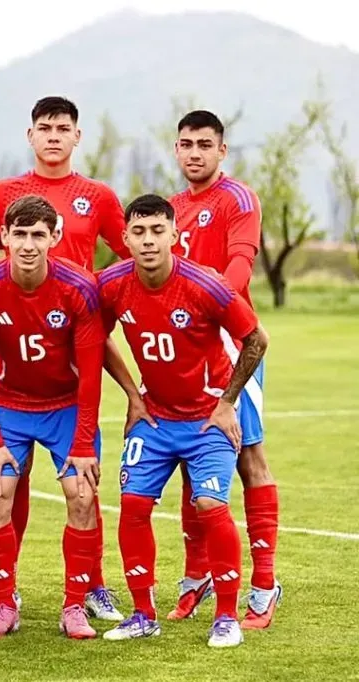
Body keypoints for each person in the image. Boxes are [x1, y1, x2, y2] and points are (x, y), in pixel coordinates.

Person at [0, 96, 127, 623]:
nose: (53, 137)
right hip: (14, 357)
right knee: (3, 488)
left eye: (63, 128)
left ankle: (89, 590)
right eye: (44, 128)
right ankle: (5, 595)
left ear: (76, 136)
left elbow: (132, 257)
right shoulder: (4, 195)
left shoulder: (97, 196)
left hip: (74, 339)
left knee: (84, 488)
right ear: (30, 135)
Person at [97, 194, 268, 648]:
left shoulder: (205, 285)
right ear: (126, 238)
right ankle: (142, 614)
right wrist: (133, 394)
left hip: (205, 422)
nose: (148, 241)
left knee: (211, 506)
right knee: (132, 506)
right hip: (154, 420)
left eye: (157, 231)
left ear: (175, 235)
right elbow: (92, 337)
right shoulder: (111, 284)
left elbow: (256, 340)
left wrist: (227, 404)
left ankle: (227, 617)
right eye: (139, 232)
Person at [0, 195, 113, 639]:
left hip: (66, 408)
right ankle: (4, 605)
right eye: (19, 234)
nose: (28, 245)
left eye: (37, 235)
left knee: (83, 496)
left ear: (55, 237)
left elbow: (90, 375)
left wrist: (85, 443)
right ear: (4, 237)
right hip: (10, 407)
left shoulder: (79, 287)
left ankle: (74, 607)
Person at [168, 110, 280, 628]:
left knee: (247, 457)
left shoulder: (237, 199)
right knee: (194, 463)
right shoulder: (170, 209)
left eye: (205, 144)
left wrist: (206, 301)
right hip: (184, 347)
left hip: (232, 343)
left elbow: (239, 264)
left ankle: (263, 586)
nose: (195, 152)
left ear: (222, 150)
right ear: (176, 149)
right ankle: (198, 578)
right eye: (187, 143)